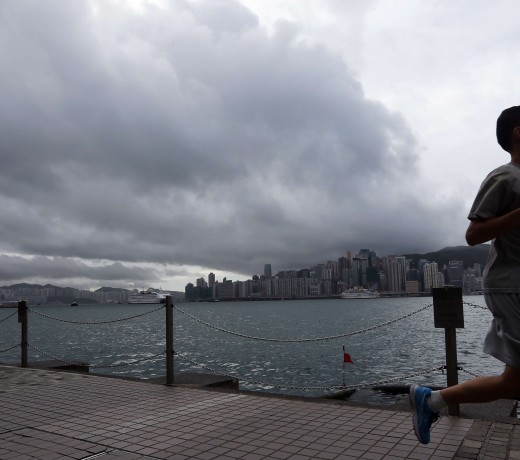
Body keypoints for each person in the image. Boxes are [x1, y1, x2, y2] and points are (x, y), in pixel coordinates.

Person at [410, 105, 520, 445]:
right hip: (511, 286)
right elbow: (474, 235)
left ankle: (431, 400)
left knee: (514, 383)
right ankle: (432, 400)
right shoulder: (506, 177)